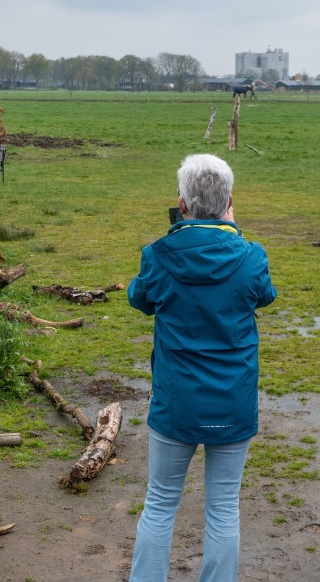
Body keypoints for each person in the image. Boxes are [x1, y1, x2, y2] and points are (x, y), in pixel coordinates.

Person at [128, 154, 277, 580]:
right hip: (233, 402)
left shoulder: (158, 255)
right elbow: (264, 295)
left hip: (176, 403)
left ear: (182, 204)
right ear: (230, 201)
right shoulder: (250, 255)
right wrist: (234, 231)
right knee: (224, 507)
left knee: (159, 502)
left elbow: (139, 298)